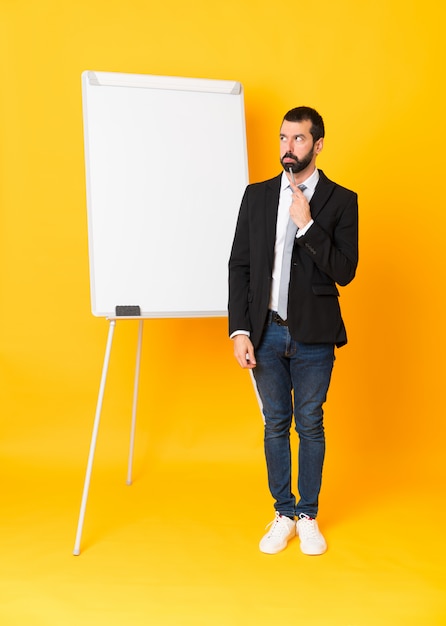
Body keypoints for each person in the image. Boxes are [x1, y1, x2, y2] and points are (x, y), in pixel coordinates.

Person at [228, 106, 358, 556]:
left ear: (317, 145)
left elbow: (345, 271)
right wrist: (240, 330)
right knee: (275, 424)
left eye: (299, 139)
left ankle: (308, 515)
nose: (288, 147)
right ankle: (283, 512)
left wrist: (308, 225)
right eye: (284, 138)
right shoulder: (258, 196)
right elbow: (240, 266)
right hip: (266, 331)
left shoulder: (342, 201)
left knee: (311, 423)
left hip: (314, 335)